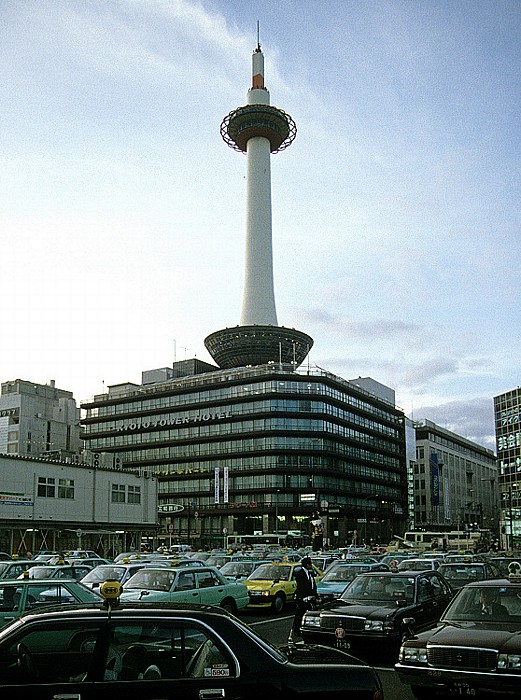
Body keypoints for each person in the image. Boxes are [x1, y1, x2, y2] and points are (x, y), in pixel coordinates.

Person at [289, 557, 317, 643]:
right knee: (300, 613)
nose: (311, 565)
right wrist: (303, 597)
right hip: (302, 597)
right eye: (310, 564)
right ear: (307, 564)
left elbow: (311, 584)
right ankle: (296, 630)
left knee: (309, 613)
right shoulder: (300, 573)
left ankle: (307, 629)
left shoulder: (309, 573)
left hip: (309, 597)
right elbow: (301, 586)